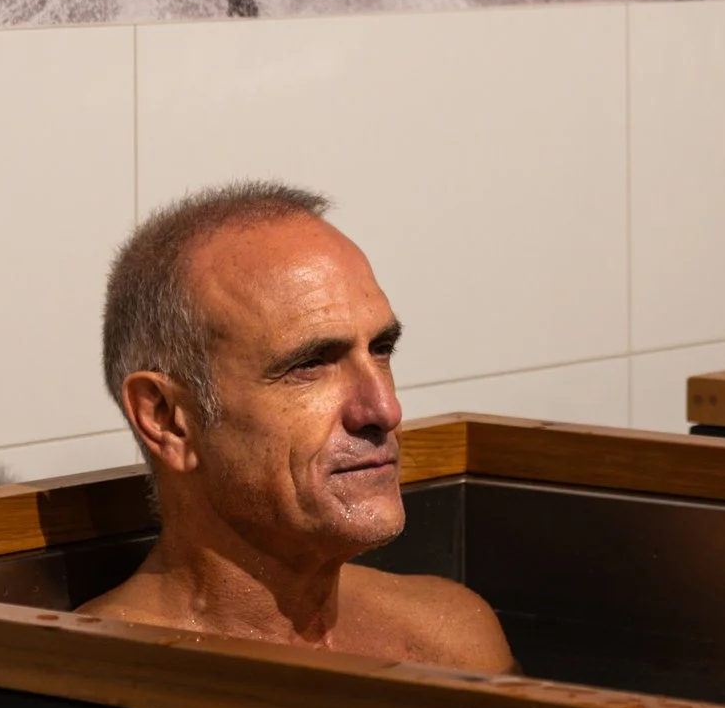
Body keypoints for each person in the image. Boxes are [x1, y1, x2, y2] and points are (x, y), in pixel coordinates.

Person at [72, 181, 515, 670]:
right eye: (309, 364)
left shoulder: (453, 637)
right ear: (167, 419)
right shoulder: (96, 678)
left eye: (381, 350)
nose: (385, 410)